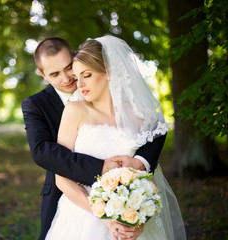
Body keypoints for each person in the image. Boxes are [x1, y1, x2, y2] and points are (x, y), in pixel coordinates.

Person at [21, 37, 167, 240]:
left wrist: (136, 214)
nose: (70, 79)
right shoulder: (46, 106)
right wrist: (102, 169)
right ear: (43, 74)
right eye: (55, 74)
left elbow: (157, 129)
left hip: (124, 208)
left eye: (71, 69)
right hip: (77, 207)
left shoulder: (133, 109)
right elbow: (43, 153)